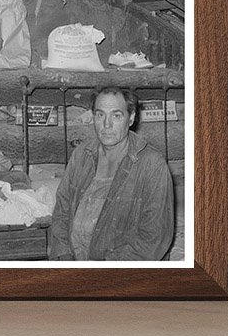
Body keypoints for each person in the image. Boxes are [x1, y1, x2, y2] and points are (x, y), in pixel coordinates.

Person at [49, 87, 174, 261]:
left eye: (116, 115)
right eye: (100, 115)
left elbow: (154, 237)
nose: (106, 125)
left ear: (131, 118)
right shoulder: (82, 154)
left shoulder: (151, 165)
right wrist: (64, 255)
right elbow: (62, 210)